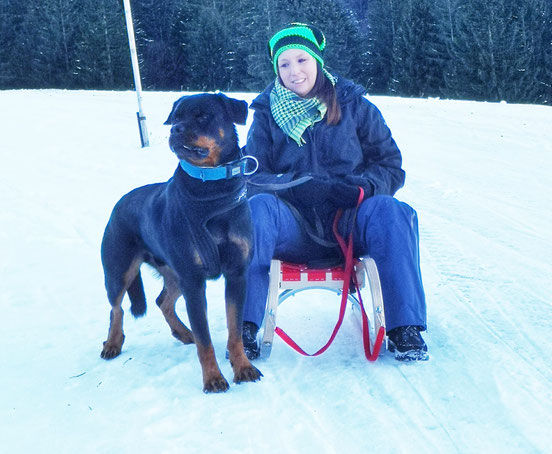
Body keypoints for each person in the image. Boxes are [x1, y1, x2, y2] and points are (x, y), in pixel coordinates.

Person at [242, 22, 428, 362]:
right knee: (257, 210)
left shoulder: (356, 106)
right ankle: (244, 326)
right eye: (284, 64)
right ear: (276, 70)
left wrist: (359, 188)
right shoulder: (267, 114)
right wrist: (296, 187)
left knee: (391, 210)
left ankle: (405, 328)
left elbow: (390, 166)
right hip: (292, 226)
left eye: (302, 60)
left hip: (350, 221)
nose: (294, 71)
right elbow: (251, 176)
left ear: (317, 60)